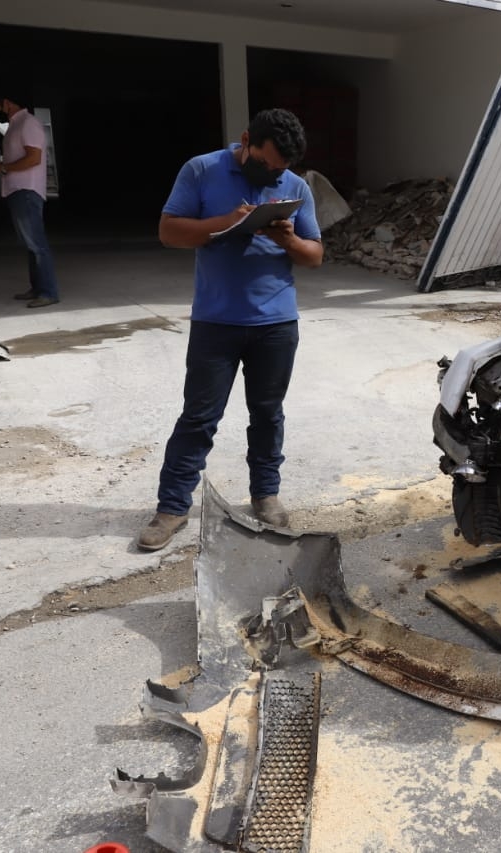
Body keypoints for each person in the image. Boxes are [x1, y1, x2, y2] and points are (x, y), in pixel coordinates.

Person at [138, 108, 324, 551]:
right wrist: (228, 223)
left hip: (276, 323)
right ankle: (172, 507)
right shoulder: (202, 169)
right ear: (246, 141)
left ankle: (265, 495)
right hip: (216, 321)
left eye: (280, 169)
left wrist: (288, 240)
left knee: (267, 414)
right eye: (265, 164)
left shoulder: (295, 187)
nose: (272, 174)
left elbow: (314, 254)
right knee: (199, 417)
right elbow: (169, 231)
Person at [0, 91, 60, 308]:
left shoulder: (28, 124)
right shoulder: (15, 125)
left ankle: (48, 292)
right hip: (17, 190)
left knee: (37, 243)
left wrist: (3, 168)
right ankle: (38, 288)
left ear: (6, 102)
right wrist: (1, 166)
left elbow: (34, 158)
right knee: (30, 244)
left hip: (27, 191)